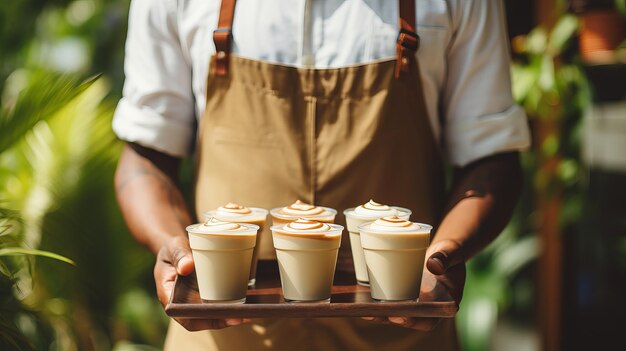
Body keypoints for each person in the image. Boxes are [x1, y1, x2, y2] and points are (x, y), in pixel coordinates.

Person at [113, 0, 530, 350]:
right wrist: (172, 246)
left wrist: (445, 250)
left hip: (403, 338)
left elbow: (492, 159)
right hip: (222, 340)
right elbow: (145, 158)